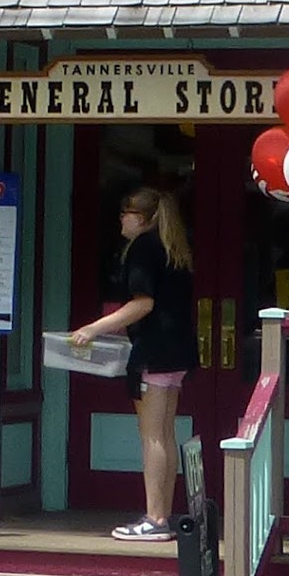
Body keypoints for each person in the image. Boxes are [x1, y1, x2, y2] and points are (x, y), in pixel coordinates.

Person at [70, 187, 198, 541]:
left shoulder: (143, 248)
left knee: (151, 436)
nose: (120, 220)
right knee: (166, 435)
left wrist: (91, 329)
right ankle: (164, 513)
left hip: (154, 351)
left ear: (141, 217)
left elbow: (143, 303)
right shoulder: (174, 248)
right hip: (177, 352)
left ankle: (155, 518)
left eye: (125, 213)